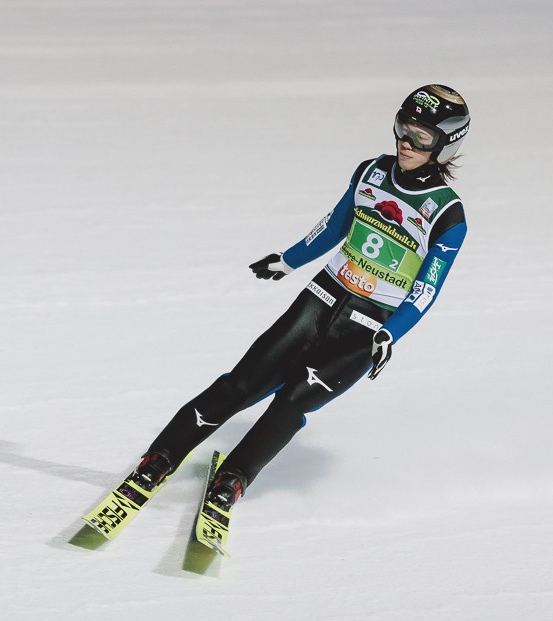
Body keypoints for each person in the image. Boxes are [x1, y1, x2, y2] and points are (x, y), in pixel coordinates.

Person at [131, 84, 471, 512]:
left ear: (445, 144)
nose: (406, 142)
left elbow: (427, 288)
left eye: (422, 137)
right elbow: (335, 225)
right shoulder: (372, 172)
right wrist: (288, 261)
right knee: (244, 382)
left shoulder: (447, 214)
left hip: (367, 329)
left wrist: (391, 333)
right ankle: (160, 457)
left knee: (292, 404)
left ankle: (234, 479)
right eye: (403, 128)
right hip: (320, 298)